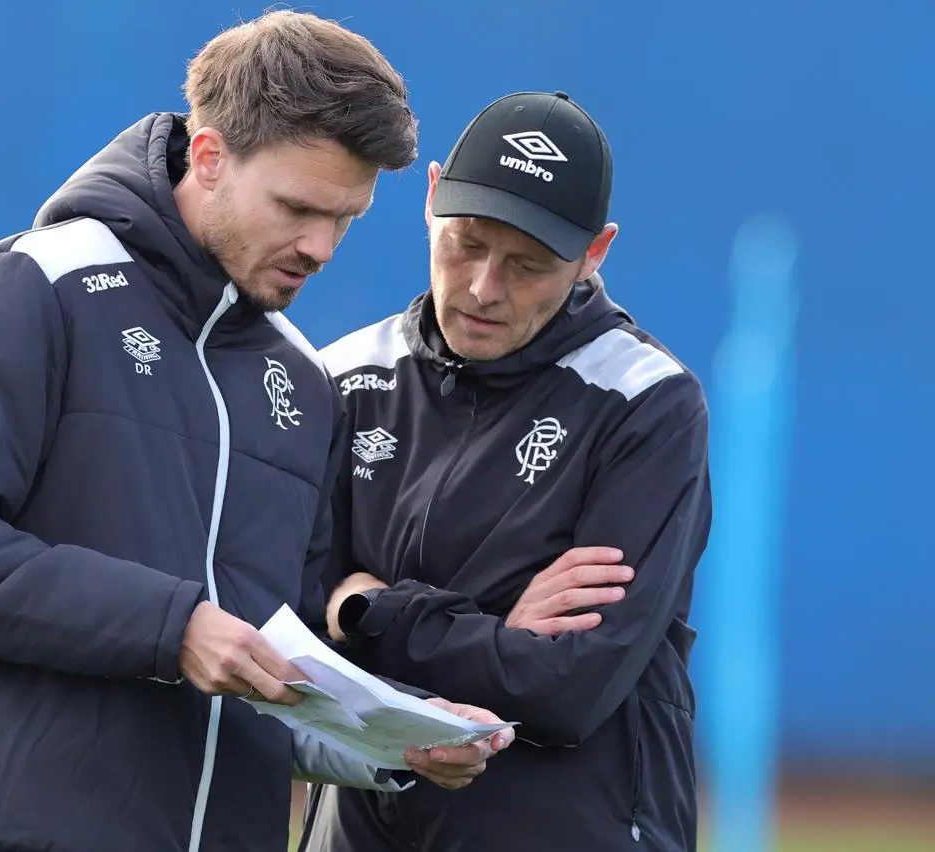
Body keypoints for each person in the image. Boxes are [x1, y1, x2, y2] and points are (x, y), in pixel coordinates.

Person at [0, 11, 514, 852]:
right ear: (208, 158)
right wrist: (172, 628)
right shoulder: (33, 285)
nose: (321, 246)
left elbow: (278, 668)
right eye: (298, 207)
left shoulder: (304, 384)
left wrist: (393, 736)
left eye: (345, 218)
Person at [301, 91, 713, 851]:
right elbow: (285, 635)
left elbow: (567, 688)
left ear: (595, 252)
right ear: (429, 200)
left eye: (528, 265)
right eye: (466, 243)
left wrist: (367, 610)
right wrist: (496, 631)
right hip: (360, 829)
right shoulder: (344, 376)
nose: (486, 288)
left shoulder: (647, 404)